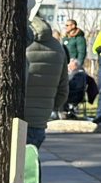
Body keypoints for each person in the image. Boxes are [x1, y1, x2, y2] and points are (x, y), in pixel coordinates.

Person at [25, 15, 69, 147]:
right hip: (38, 122)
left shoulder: (19, 41)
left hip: (14, 120)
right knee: (30, 164)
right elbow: (63, 90)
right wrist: (46, 109)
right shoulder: (57, 46)